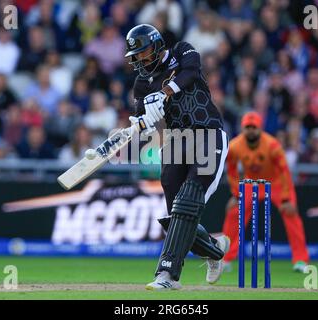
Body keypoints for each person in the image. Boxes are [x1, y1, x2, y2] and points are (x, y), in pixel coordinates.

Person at [125, 24, 230, 290]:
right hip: (174, 142)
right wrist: (141, 121)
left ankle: (167, 275)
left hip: (207, 134)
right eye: (136, 57)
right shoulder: (141, 84)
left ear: (158, 45)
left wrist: (164, 93)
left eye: (144, 53)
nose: (141, 60)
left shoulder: (182, 51)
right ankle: (214, 248)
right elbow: (144, 119)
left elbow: (191, 74)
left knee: (186, 203)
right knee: (176, 216)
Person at [222, 112, 310, 273]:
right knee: (234, 211)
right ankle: (225, 259)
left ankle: (300, 260)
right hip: (250, 183)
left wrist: (287, 198)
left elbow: (284, 172)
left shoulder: (272, 145)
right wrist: (236, 194)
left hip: (274, 183)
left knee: (291, 213)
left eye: (253, 127)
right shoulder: (234, 146)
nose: (250, 131)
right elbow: (231, 170)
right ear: (242, 128)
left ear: (260, 128)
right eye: (247, 127)